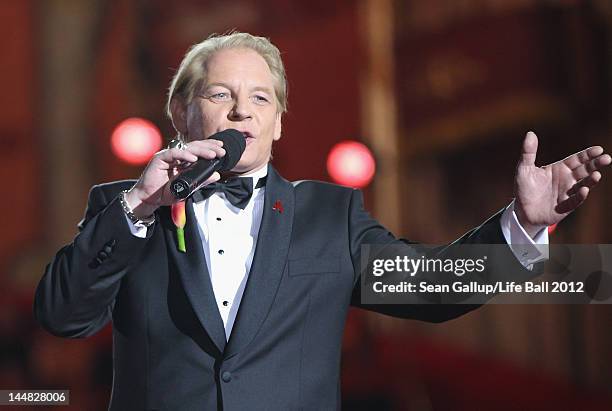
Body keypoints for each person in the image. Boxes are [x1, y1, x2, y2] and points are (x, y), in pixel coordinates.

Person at [34, 32, 610, 410]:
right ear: (181, 113)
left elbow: (433, 289)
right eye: (220, 93)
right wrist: (137, 207)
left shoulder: (328, 216)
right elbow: (63, 316)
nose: (241, 110)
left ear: (279, 123)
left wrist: (521, 225)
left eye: (261, 99)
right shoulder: (124, 207)